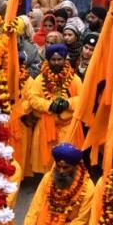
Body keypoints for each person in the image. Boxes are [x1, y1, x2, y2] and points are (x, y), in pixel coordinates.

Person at [24, 44, 83, 175]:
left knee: (68, 162)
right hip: (46, 128)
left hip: (68, 128)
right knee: (48, 165)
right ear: (48, 61)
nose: (56, 62)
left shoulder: (74, 79)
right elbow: (32, 99)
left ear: (65, 60)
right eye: (53, 59)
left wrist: (67, 104)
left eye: (59, 59)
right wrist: (49, 105)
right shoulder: (39, 80)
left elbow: (83, 99)